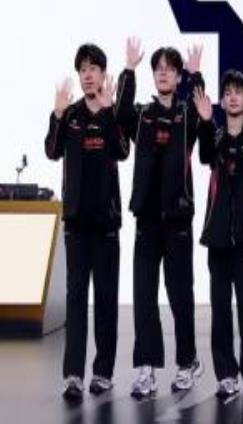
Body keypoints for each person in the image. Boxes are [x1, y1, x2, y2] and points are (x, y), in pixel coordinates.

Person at [116, 38, 204, 399]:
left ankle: (187, 363)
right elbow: (120, 113)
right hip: (147, 220)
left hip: (178, 219)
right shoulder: (142, 115)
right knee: (144, 294)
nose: (163, 73)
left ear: (179, 77)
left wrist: (197, 76)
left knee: (181, 294)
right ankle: (146, 369)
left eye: (170, 68)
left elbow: (202, 111)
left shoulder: (186, 115)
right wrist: (129, 69)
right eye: (158, 69)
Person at [45, 43, 129, 402]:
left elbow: (123, 150)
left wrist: (110, 113)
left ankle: (103, 373)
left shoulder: (111, 111)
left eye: (93, 68)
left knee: (107, 300)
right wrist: (57, 114)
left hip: (106, 224)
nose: (88, 75)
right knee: (76, 300)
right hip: (77, 225)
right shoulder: (71, 114)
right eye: (83, 69)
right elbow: (52, 151)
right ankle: (73, 376)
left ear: (103, 74)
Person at [194, 70, 243, 399]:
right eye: (228, 92)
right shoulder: (216, 135)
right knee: (221, 310)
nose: (233, 97)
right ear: (222, 101)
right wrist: (206, 122)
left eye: (239, 92)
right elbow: (205, 155)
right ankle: (226, 374)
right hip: (218, 239)